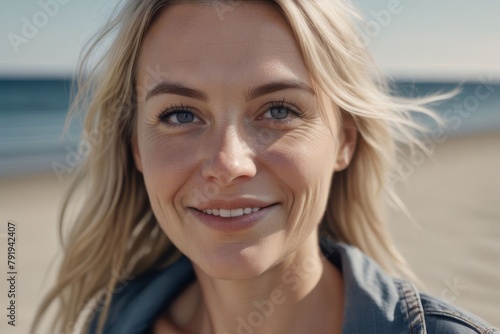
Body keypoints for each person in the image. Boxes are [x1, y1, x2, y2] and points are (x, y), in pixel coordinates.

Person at [32, 0, 499, 333]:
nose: (227, 163)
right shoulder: (107, 322)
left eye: (278, 110)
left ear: (343, 141)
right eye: (180, 115)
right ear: (135, 147)